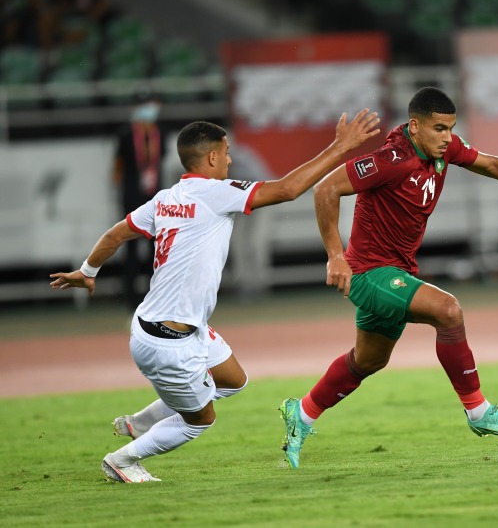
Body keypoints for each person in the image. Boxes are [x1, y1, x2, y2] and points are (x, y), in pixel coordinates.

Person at [50, 111, 380, 483]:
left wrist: (88, 271)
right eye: (225, 153)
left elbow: (114, 235)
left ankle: (137, 423)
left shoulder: (164, 198)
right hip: (168, 341)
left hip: (166, 325)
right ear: (210, 158)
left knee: (233, 380)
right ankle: (122, 460)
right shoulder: (216, 193)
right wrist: (341, 147)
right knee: (199, 421)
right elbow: (288, 189)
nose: (230, 159)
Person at [278, 87, 498, 469]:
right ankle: (479, 412)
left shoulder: (443, 149)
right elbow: (325, 189)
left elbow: (491, 164)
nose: (448, 137)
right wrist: (335, 256)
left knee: (368, 361)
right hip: (369, 274)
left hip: (395, 271)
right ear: (414, 126)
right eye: (439, 129)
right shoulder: (392, 159)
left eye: (451, 128)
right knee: (448, 311)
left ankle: (300, 415)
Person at [112, 91, 167, 310]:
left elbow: (158, 160)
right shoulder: (126, 134)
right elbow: (118, 166)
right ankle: (131, 300)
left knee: (156, 248)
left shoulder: (160, 133)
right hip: (132, 198)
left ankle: (157, 296)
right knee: (132, 249)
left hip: (154, 199)